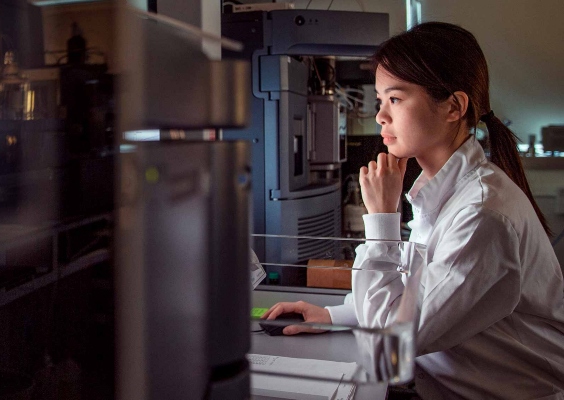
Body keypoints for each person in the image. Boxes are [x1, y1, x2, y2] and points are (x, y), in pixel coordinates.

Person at [262, 22, 564, 399]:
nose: (380, 117)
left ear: (454, 107)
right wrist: (333, 315)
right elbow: (413, 294)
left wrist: (382, 221)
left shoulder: (483, 215)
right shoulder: (444, 192)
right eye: (380, 101)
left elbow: (392, 346)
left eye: (396, 99)